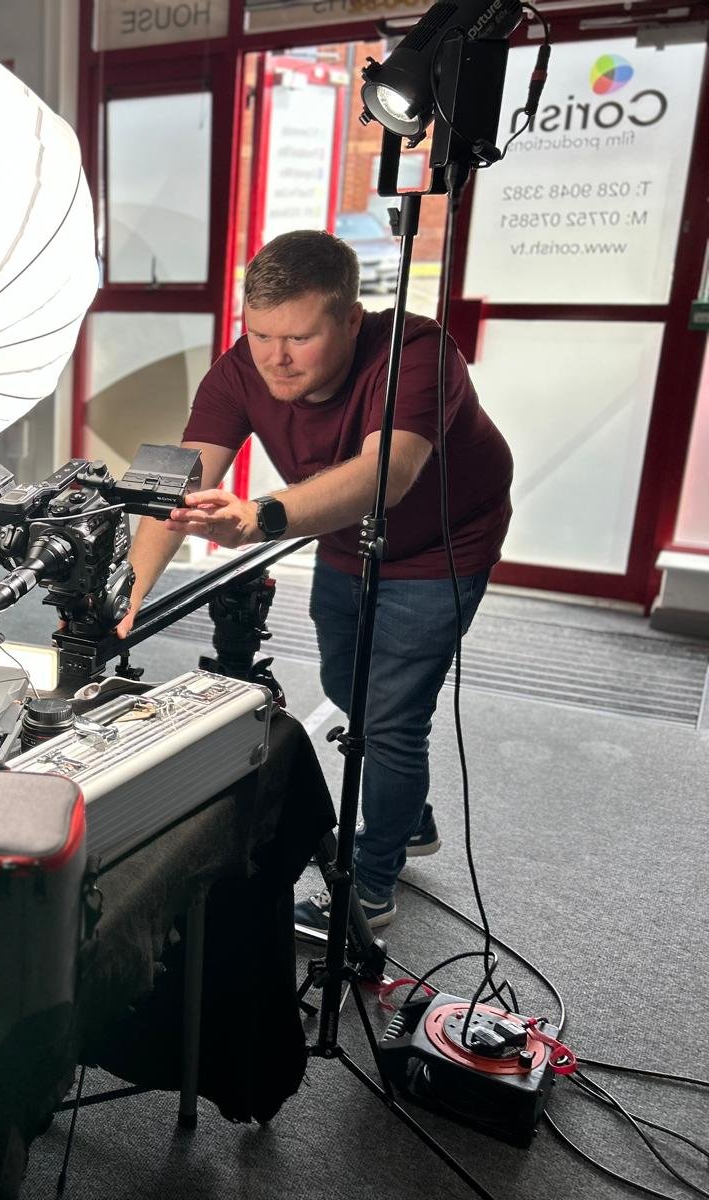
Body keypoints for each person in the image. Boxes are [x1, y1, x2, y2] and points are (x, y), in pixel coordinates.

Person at [116, 229, 513, 930]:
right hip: (341, 535)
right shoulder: (242, 367)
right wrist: (128, 595)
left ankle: (373, 878)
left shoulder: (418, 355)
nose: (275, 357)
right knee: (344, 685)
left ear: (350, 319)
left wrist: (261, 515)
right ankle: (410, 812)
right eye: (259, 333)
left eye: (298, 337)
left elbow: (382, 475)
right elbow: (181, 479)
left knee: (389, 719)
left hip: (442, 544)